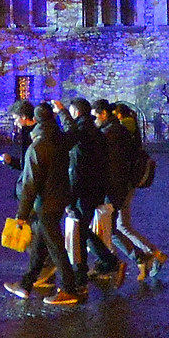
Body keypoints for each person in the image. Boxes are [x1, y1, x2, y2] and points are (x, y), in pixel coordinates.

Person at [9, 104, 82, 305]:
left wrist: (22, 214)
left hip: (46, 203)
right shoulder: (61, 139)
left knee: (56, 248)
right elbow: (74, 131)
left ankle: (69, 289)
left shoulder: (38, 146)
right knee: (41, 246)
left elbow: (30, 184)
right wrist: (63, 112)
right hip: (60, 198)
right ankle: (26, 284)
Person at [101, 101, 167, 280]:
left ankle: (148, 255)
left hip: (124, 182)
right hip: (126, 181)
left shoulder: (122, 129)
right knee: (119, 225)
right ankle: (144, 257)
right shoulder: (125, 129)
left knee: (117, 226)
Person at [63, 98, 110, 291]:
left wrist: (70, 199)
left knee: (79, 235)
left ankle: (81, 277)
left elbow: (75, 169)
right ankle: (108, 261)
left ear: (76, 112)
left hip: (82, 191)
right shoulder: (98, 132)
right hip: (95, 189)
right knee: (83, 231)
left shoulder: (80, 134)